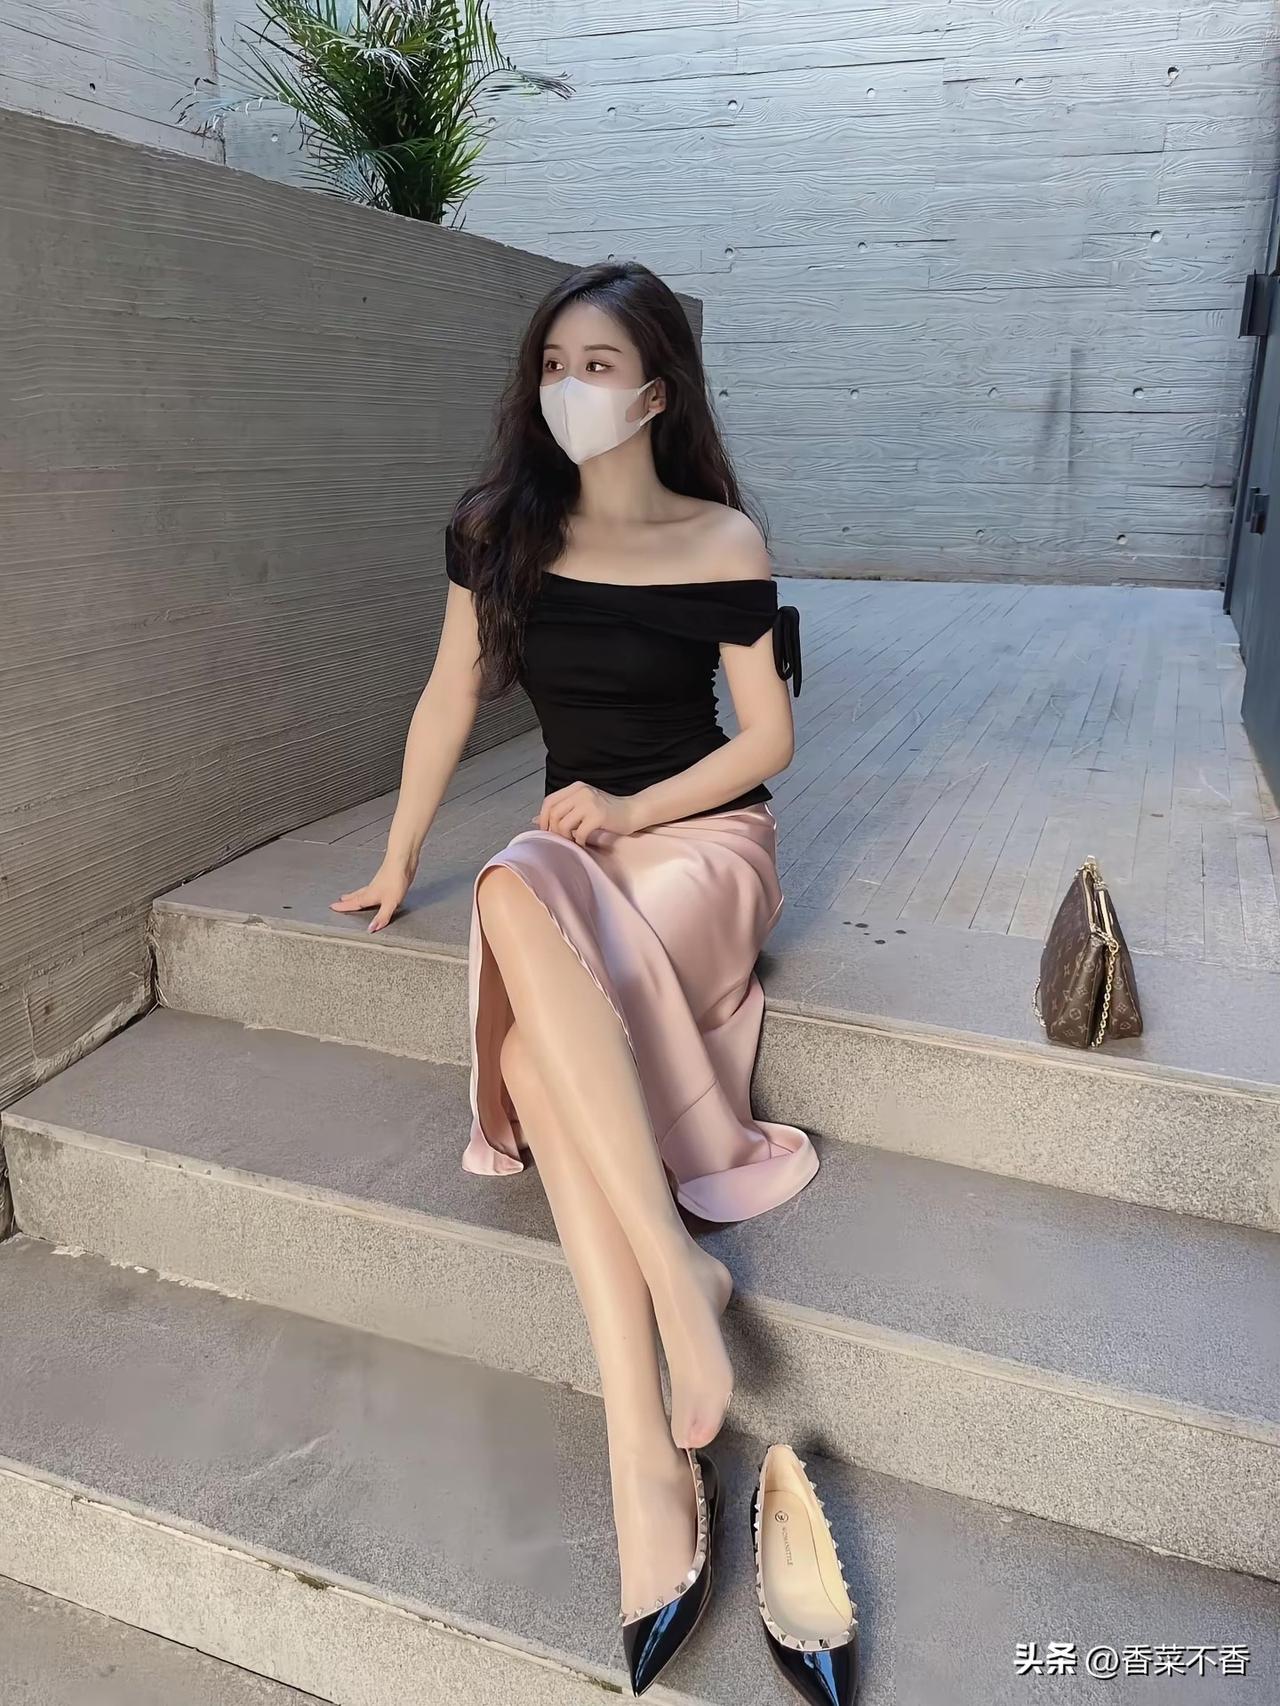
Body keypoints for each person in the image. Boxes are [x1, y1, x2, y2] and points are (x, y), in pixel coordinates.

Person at [331, 258, 818, 1695]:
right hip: (573, 856)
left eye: (598, 367)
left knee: (537, 1040)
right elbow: (449, 692)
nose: (569, 388)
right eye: (554, 363)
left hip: (701, 845)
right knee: (513, 884)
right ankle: (677, 1292)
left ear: (656, 393)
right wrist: (397, 853)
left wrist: (636, 808)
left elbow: (767, 741)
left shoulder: (721, 536)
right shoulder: (498, 529)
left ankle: (647, 1469)